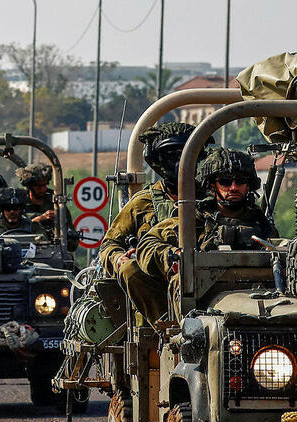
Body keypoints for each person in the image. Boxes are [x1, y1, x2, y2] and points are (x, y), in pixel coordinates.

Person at [132, 148, 277, 324]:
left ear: (249, 185)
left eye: (240, 181)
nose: (233, 187)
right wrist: (172, 256)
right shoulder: (193, 220)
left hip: (254, 307)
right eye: (225, 181)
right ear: (212, 186)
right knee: (183, 279)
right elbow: (148, 244)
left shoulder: (261, 225)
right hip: (200, 314)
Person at [100, 122, 213, 278]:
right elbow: (109, 244)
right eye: (173, 156)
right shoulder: (142, 203)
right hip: (153, 284)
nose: (181, 163)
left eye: (188, 155)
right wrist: (119, 258)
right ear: (159, 161)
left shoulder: (214, 201)